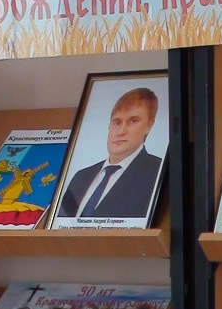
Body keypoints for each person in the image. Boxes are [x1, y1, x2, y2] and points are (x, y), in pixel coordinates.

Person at [58, 86, 162, 220]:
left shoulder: (158, 173)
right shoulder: (81, 177)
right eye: (117, 122)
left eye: (133, 121)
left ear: (149, 125)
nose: (121, 131)